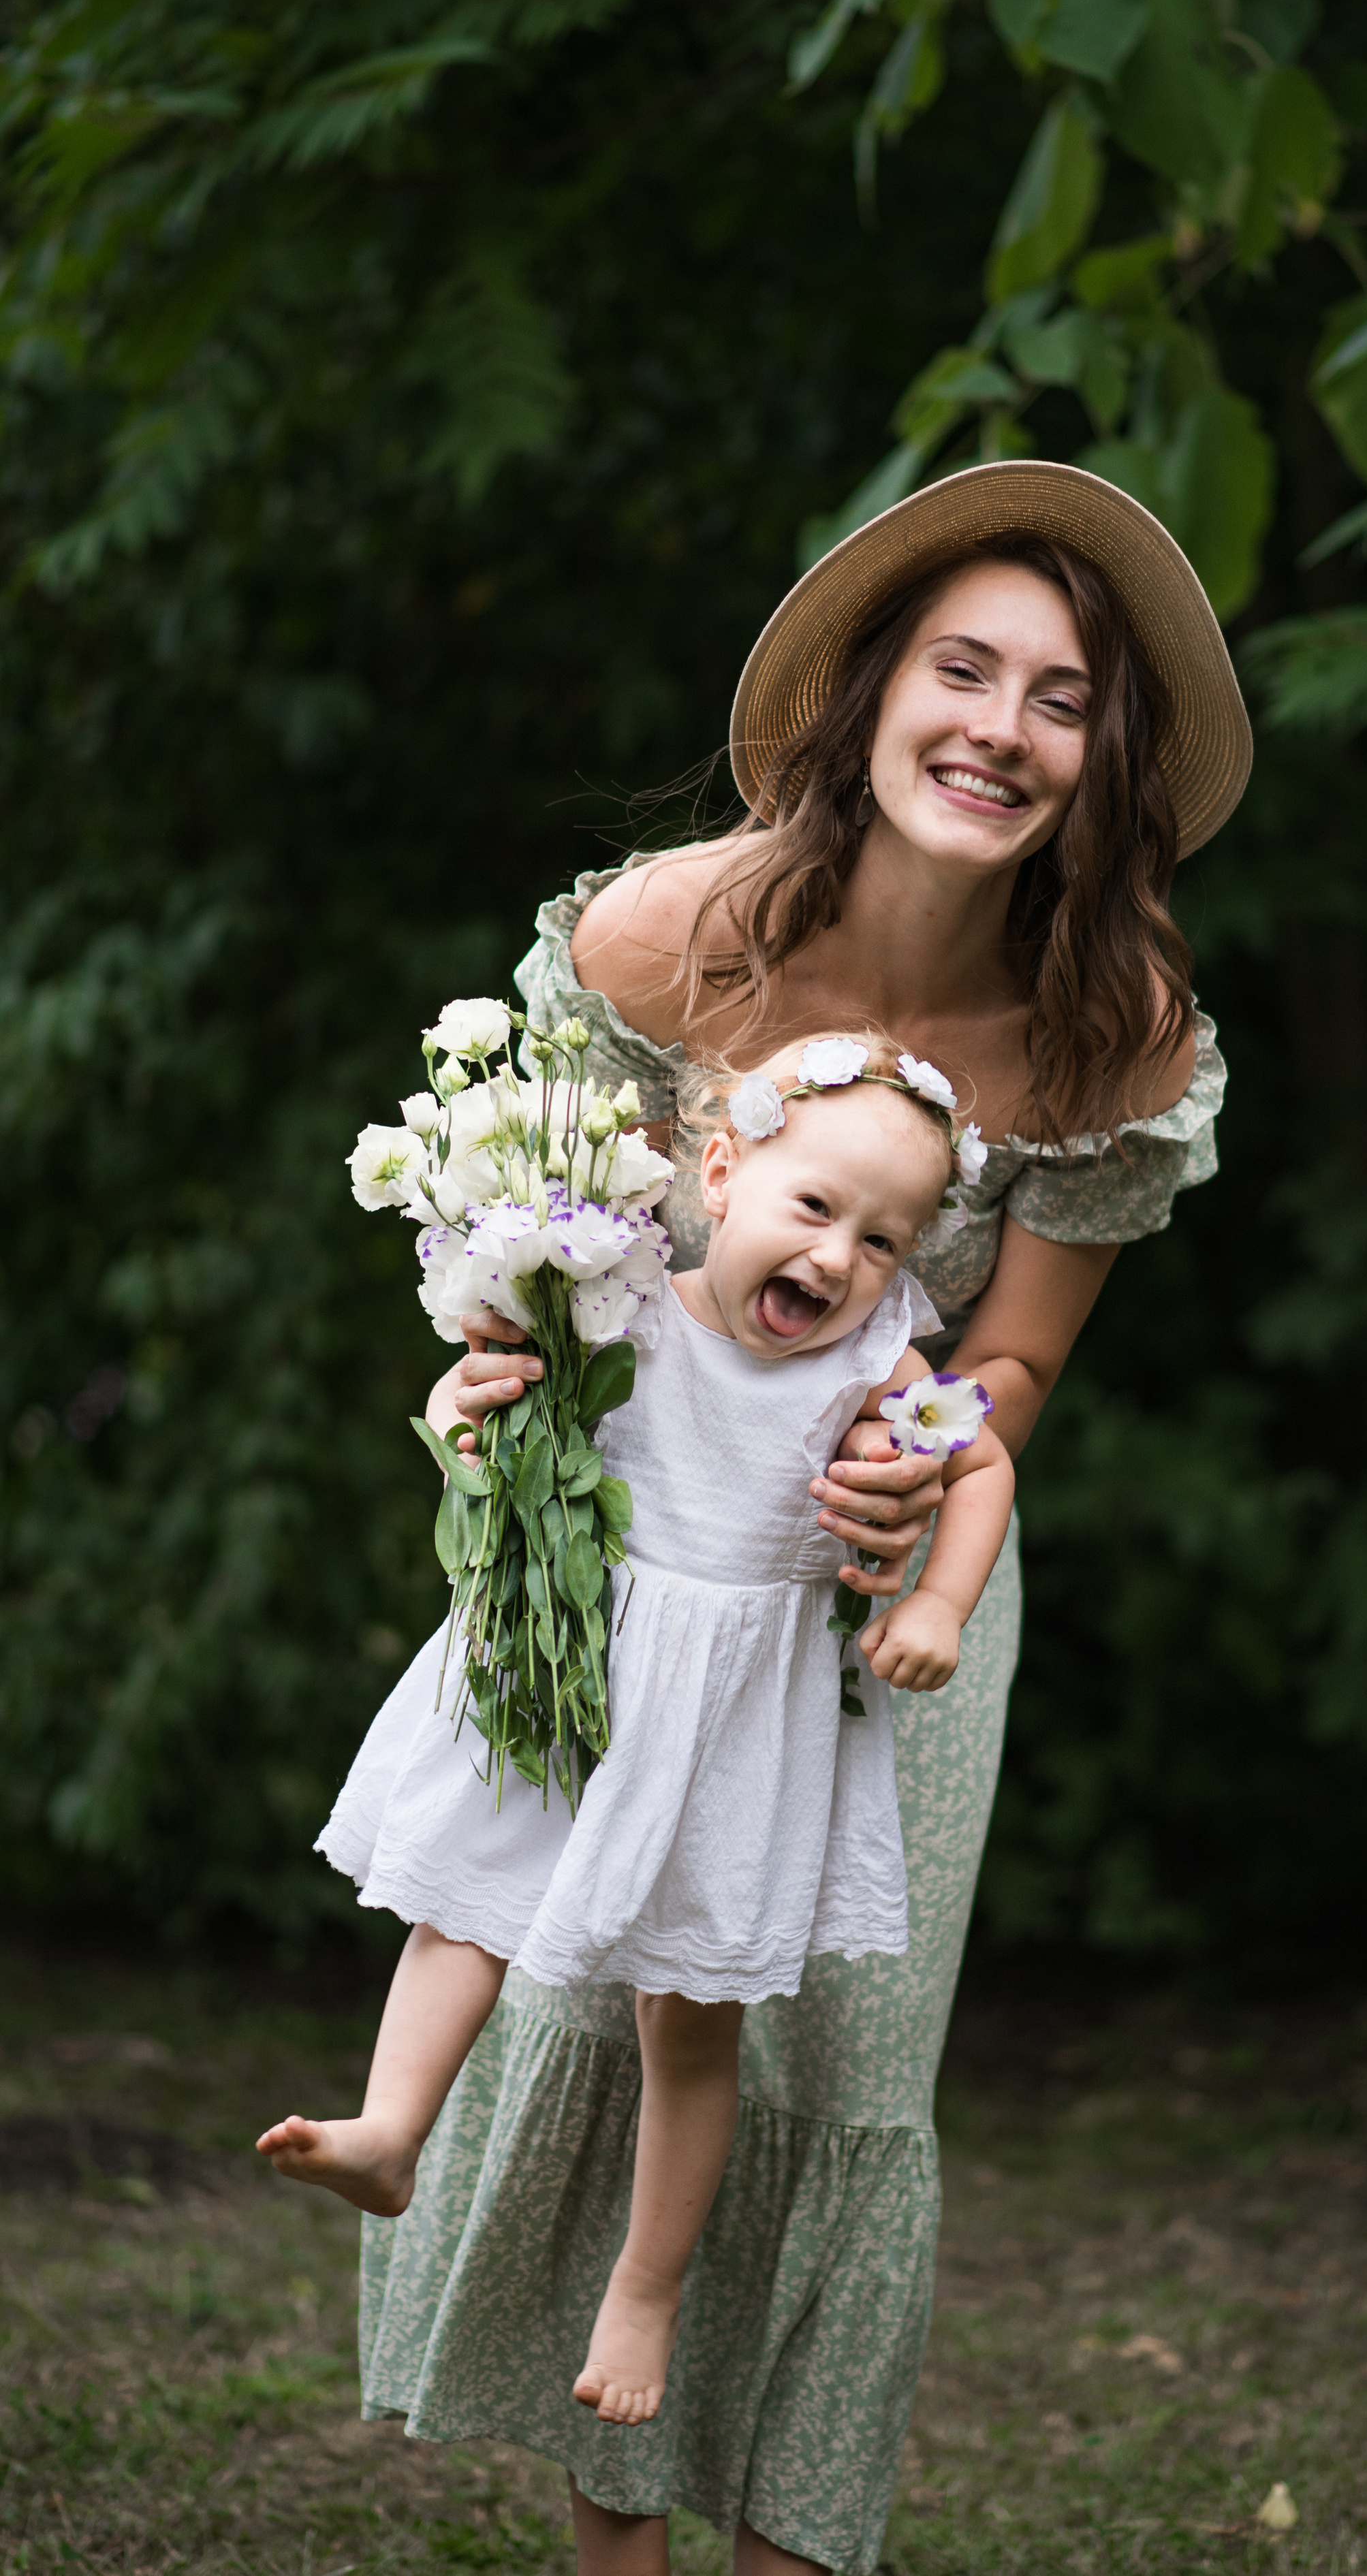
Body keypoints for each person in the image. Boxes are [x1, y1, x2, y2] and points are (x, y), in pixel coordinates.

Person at [351, 460, 1248, 2576]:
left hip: (893, 1588)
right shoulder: (670, 934)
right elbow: (536, 1254)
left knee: (839, 2064)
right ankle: (616, 2543)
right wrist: (482, 1369)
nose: (1003, 730)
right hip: (655, 1566)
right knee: (613, 2005)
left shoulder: (1116, 1029)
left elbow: (1013, 1363)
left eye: (1061, 703)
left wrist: (922, 1445)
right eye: (966, 669)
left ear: (1100, 765)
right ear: (868, 696)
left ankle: (792, 2542)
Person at [257, 1037, 1015, 2432]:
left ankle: (647, 2285)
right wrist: (455, 1420)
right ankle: (387, 2132)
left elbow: (981, 1454)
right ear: (719, 1173)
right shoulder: (613, 1308)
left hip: (734, 1723)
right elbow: (479, 1397)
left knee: (692, 2025)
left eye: (881, 1236)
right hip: (570, 1681)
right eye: (813, 1209)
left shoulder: (871, 1354)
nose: (839, 1256)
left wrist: (944, 1606)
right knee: (458, 1910)